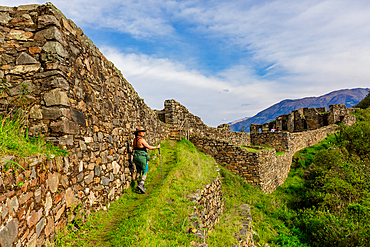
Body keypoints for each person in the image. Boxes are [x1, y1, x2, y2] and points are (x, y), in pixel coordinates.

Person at [132, 126, 160, 193]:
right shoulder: (141, 140)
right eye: (142, 131)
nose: (143, 133)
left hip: (135, 156)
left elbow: (133, 148)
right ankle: (141, 185)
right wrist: (156, 147)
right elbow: (148, 147)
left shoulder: (135, 140)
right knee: (145, 170)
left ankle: (139, 185)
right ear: (139, 133)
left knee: (138, 171)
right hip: (142, 157)